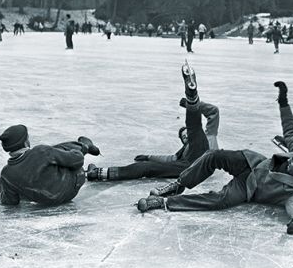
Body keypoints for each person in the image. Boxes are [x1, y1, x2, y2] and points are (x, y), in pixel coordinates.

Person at [137, 81, 293, 235]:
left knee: (220, 200)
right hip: (250, 161)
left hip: (249, 188)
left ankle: (164, 202)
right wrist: (283, 101)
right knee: (214, 156)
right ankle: (177, 185)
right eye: (291, 158)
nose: (289, 160)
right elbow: (290, 131)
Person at [86, 64, 219, 182]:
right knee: (146, 168)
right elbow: (170, 158)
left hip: (206, 158)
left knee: (194, 127)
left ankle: (192, 97)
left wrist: (187, 104)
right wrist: (149, 157)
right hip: (187, 167)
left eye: (186, 135)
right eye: (183, 137)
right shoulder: (182, 152)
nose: (185, 137)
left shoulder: (209, 135)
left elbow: (213, 112)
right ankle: (99, 173)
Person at [0, 125, 101, 206]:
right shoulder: (41, 151)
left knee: (18, 182)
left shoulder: (6, 173)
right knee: (59, 150)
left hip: (46, 201)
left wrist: (2, 186)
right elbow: (77, 160)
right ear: (25, 142)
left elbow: (10, 202)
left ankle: (89, 172)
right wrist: (77, 153)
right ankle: (85, 147)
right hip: (73, 184)